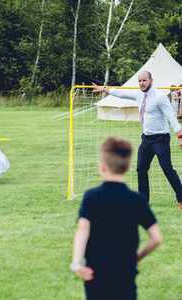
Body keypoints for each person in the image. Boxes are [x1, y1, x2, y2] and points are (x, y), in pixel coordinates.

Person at [70, 137, 162, 300]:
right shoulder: (136, 199)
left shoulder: (91, 197)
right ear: (127, 168)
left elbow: (82, 230)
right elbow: (156, 238)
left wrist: (76, 263)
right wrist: (137, 257)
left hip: (95, 272)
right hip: (125, 271)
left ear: (102, 167)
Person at [94, 71, 182, 210]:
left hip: (161, 139)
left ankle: (181, 198)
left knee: (167, 169)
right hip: (146, 140)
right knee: (141, 169)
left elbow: (171, 116)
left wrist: (179, 134)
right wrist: (105, 89)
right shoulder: (139, 95)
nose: (141, 83)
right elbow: (121, 93)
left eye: (144, 80)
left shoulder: (160, 97)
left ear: (151, 81)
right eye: (139, 81)